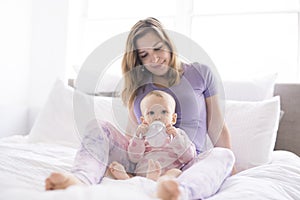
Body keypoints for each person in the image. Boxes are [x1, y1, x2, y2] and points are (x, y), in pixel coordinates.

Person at [45, 17, 236, 200]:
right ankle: (81, 179)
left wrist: (230, 170)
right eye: (144, 55)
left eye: (158, 49)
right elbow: (131, 140)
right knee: (98, 126)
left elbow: (217, 127)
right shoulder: (138, 88)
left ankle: (179, 192)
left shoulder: (200, 73)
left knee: (223, 155)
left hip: (189, 160)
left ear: (168, 43)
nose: (154, 58)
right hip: (147, 162)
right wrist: (127, 169)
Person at [108, 90, 197, 181]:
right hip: (144, 172)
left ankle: (161, 180)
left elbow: (188, 157)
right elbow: (133, 158)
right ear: (143, 120)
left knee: (176, 172)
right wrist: (138, 137)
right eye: (151, 113)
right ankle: (127, 178)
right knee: (133, 175)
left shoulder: (178, 134)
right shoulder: (142, 136)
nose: (157, 117)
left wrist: (176, 138)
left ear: (173, 118)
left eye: (163, 112)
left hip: (168, 172)